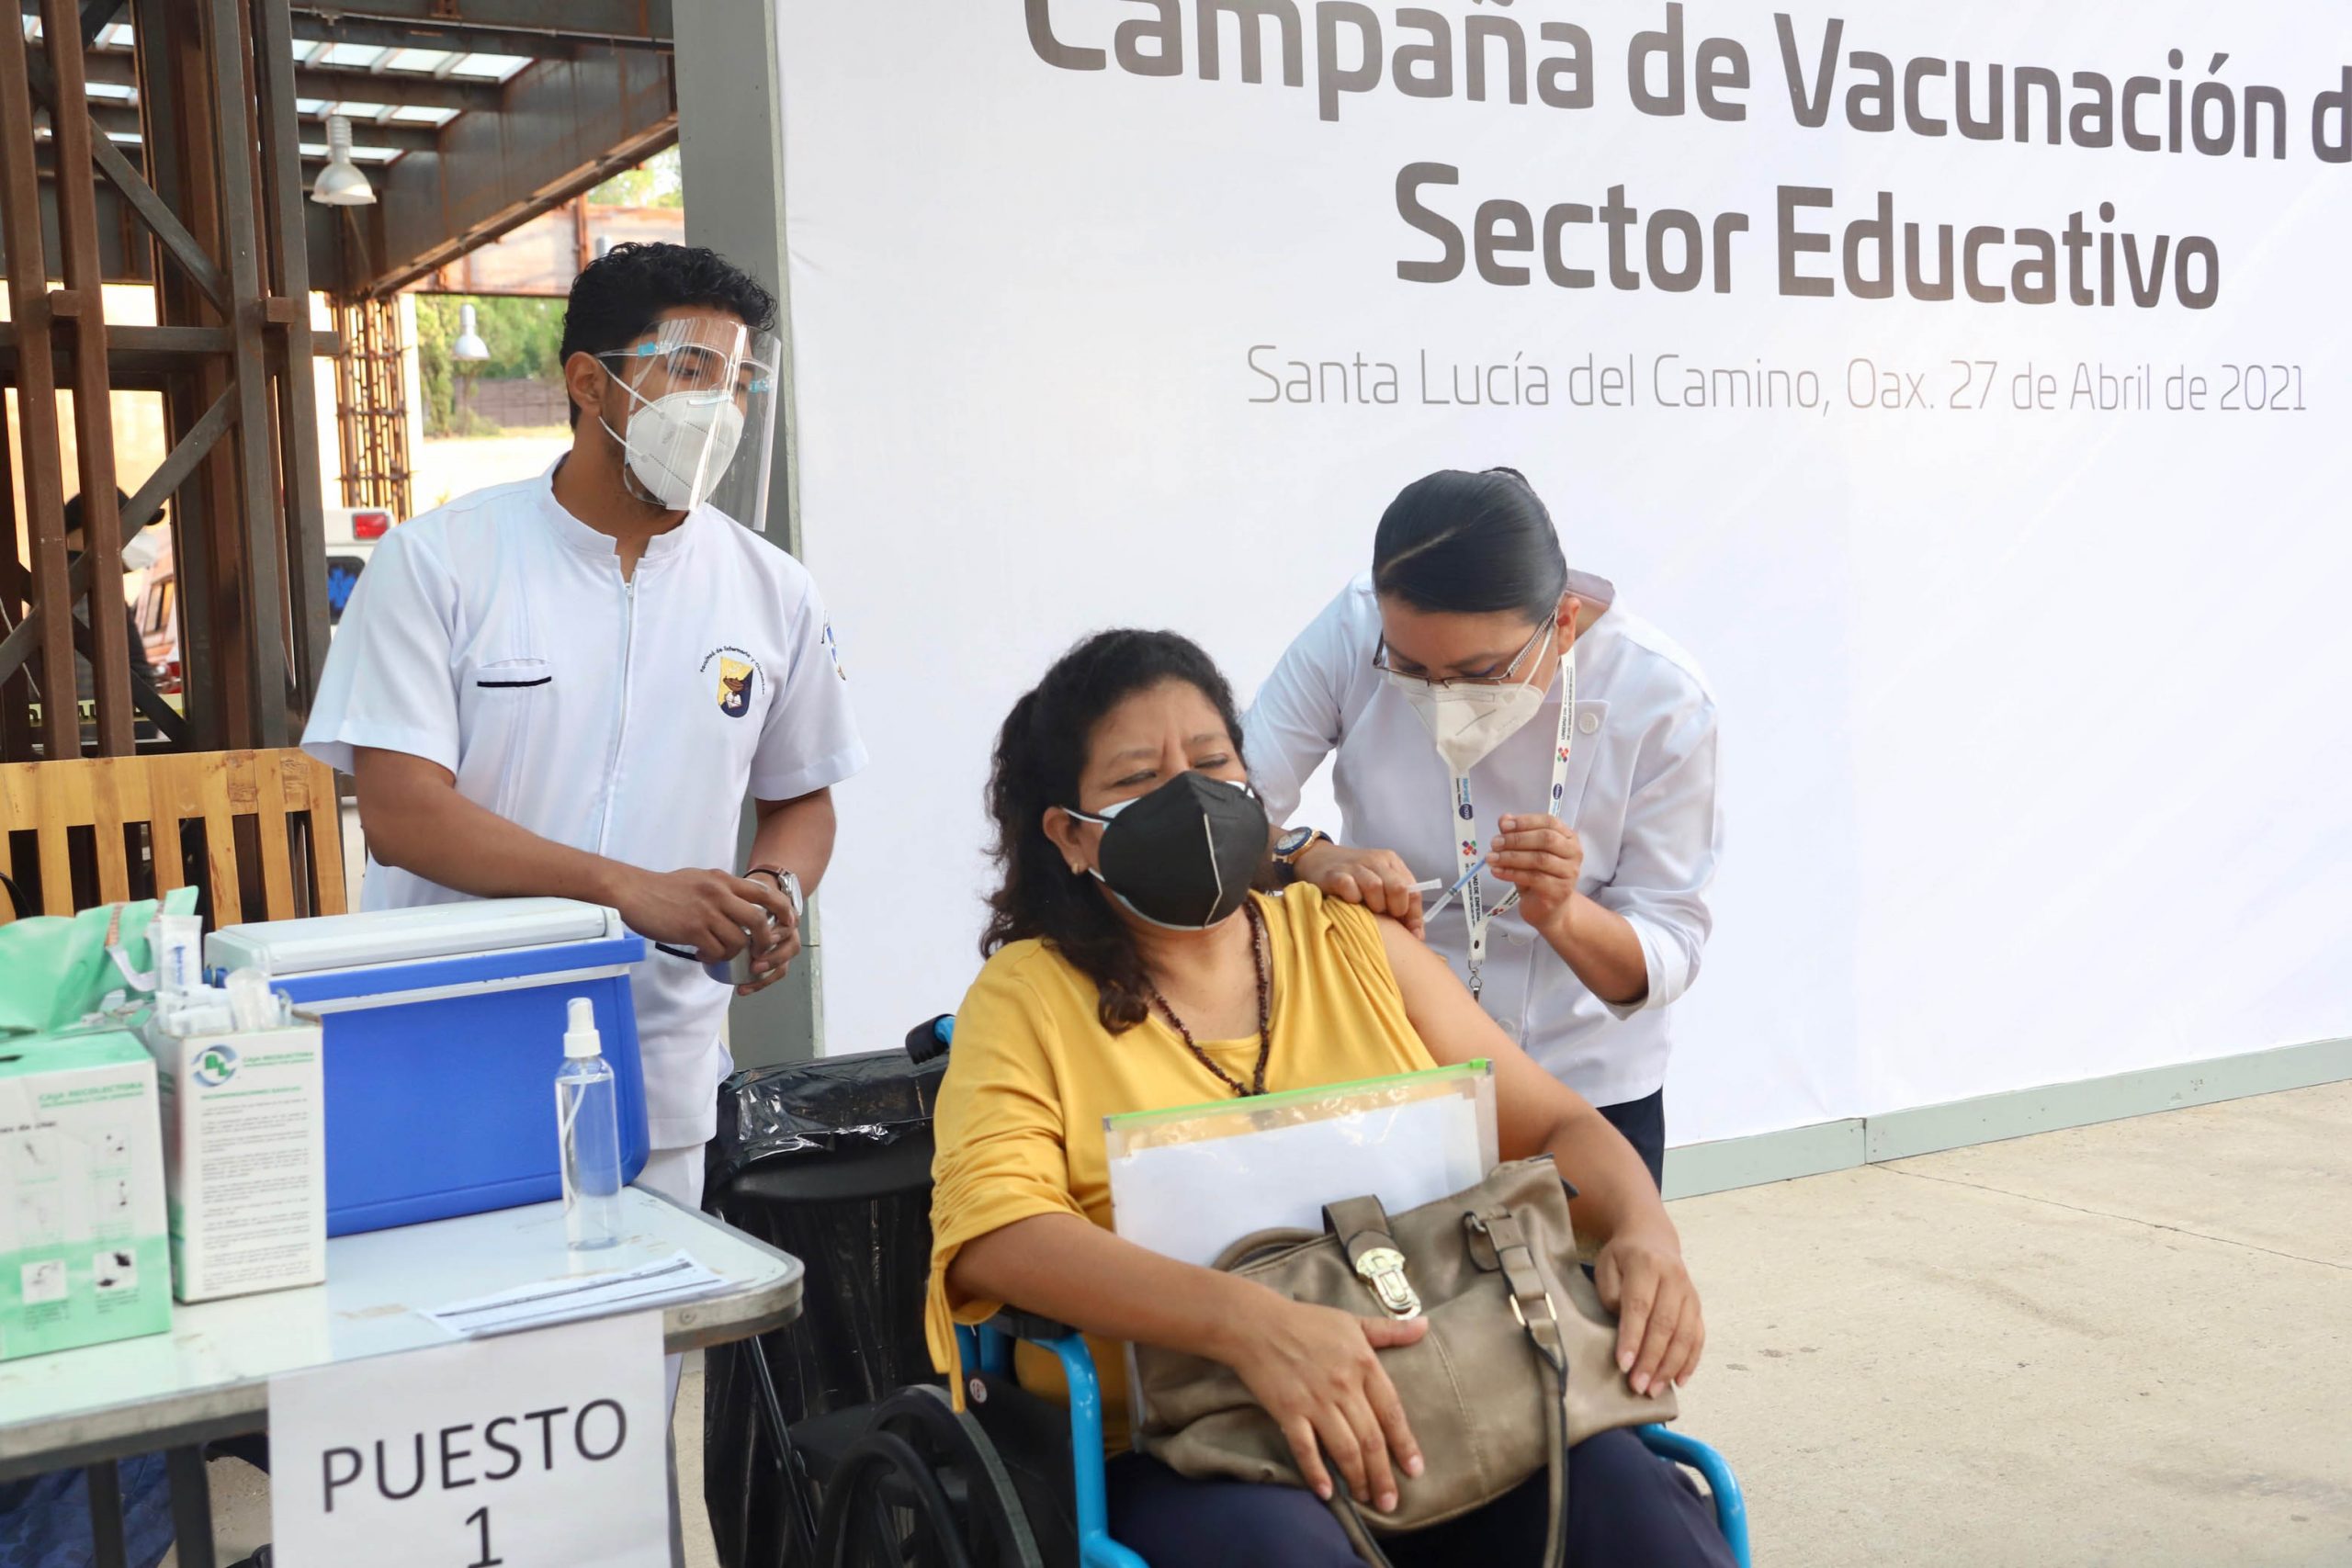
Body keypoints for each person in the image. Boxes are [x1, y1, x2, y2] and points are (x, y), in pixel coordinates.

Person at [927, 629, 1729, 1568]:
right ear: (1069, 835)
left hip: (1455, 1387)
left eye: (1212, 762)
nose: (1187, 795)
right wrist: (1249, 1325)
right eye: (1138, 778)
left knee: (1631, 1502)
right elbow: (998, 1231)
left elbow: (1554, 1122)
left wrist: (1642, 1228)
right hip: (1188, 1444)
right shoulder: (1026, 998)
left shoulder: (1352, 941)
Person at [300, 245, 866, 1566]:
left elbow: (803, 799)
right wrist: (627, 888)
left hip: (650, 1066)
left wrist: (777, 889)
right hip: (437, 1060)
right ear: (589, 384)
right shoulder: (443, 563)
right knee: (433, 1437)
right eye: (688, 367)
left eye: (736, 378)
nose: (717, 404)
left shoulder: (769, 590)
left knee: (610, 1431)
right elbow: (405, 811)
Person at [1244, 468, 1722, 1188]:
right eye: (1409, 668)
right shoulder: (1354, 627)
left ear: (1563, 624)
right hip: (1392, 1052)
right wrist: (1306, 854)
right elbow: (1225, 812)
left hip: (1583, 1086)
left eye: (1481, 672)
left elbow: (1670, 947)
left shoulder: (1661, 697)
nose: (1443, 699)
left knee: (1593, 1261)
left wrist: (1564, 915)